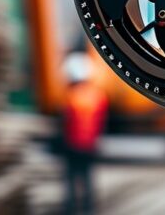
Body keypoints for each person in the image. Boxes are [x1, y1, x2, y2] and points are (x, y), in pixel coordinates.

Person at [62, 52, 108, 215]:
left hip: (73, 144)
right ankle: (89, 208)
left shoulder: (71, 96)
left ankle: (70, 208)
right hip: (90, 144)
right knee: (87, 177)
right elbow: (101, 122)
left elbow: (65, 122)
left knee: (71, 178)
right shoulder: (98, 96)